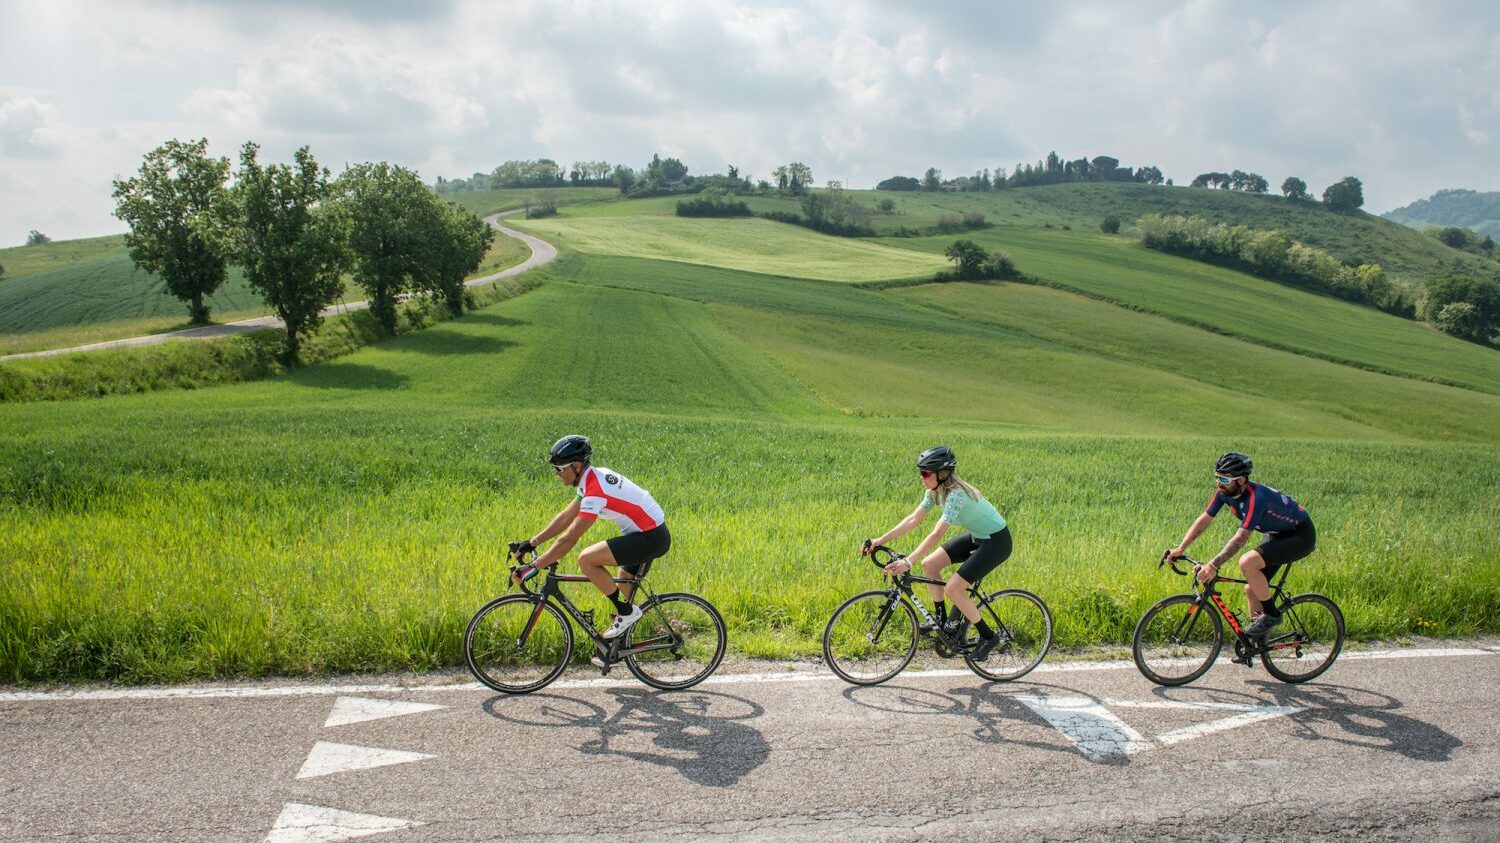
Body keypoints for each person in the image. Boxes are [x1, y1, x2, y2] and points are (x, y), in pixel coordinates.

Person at [510, 435, 671, 646]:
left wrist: (535, 566)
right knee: (623, 581)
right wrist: (532, 543)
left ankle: (627, 613)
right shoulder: (591, 479)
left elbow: (569, 539)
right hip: (646, 534)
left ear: (576, 466)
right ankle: (622, 647)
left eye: (559, 468)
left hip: (651, 537)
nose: (556, 473)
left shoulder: (596, 491)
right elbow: (566, 517)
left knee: (586, 559)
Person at [861, 446, 1012, 661]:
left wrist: (908, 561)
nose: (921, 477)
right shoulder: (935, 491)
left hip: (997, 542)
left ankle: (988, 637)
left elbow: (936, 534)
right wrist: (880, 540)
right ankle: (941, 621)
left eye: (925, 473)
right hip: (978, 536)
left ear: (941, 474)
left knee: (953, 589)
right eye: (921, 472)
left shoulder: (956, 495)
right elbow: (913, 519)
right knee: (929, 564)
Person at [1166, 451, 1315, 636]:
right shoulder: (1224, 493)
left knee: (1247, 563)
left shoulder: (1256, 498)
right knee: (1252, 589)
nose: (1219, 483)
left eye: (1225, 479)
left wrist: (1213, 565)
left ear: (1242, 480)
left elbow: (1241, 538)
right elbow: (1205, 519)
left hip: (1300, 535)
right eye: (1217, 478)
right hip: (1277, 534)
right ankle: (1259, 642)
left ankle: (1272, 615)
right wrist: (1181, 548)